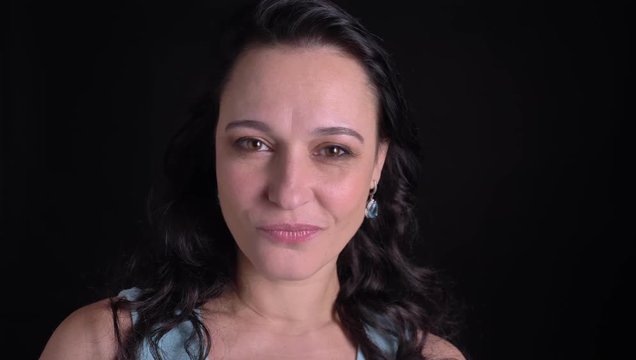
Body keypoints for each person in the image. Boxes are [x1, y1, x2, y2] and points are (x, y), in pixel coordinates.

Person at [40, 0, 466, 359]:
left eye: (333, 150)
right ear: (214, 152)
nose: (288, 192)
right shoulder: (101, 346)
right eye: (253, 144)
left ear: (377, 165)